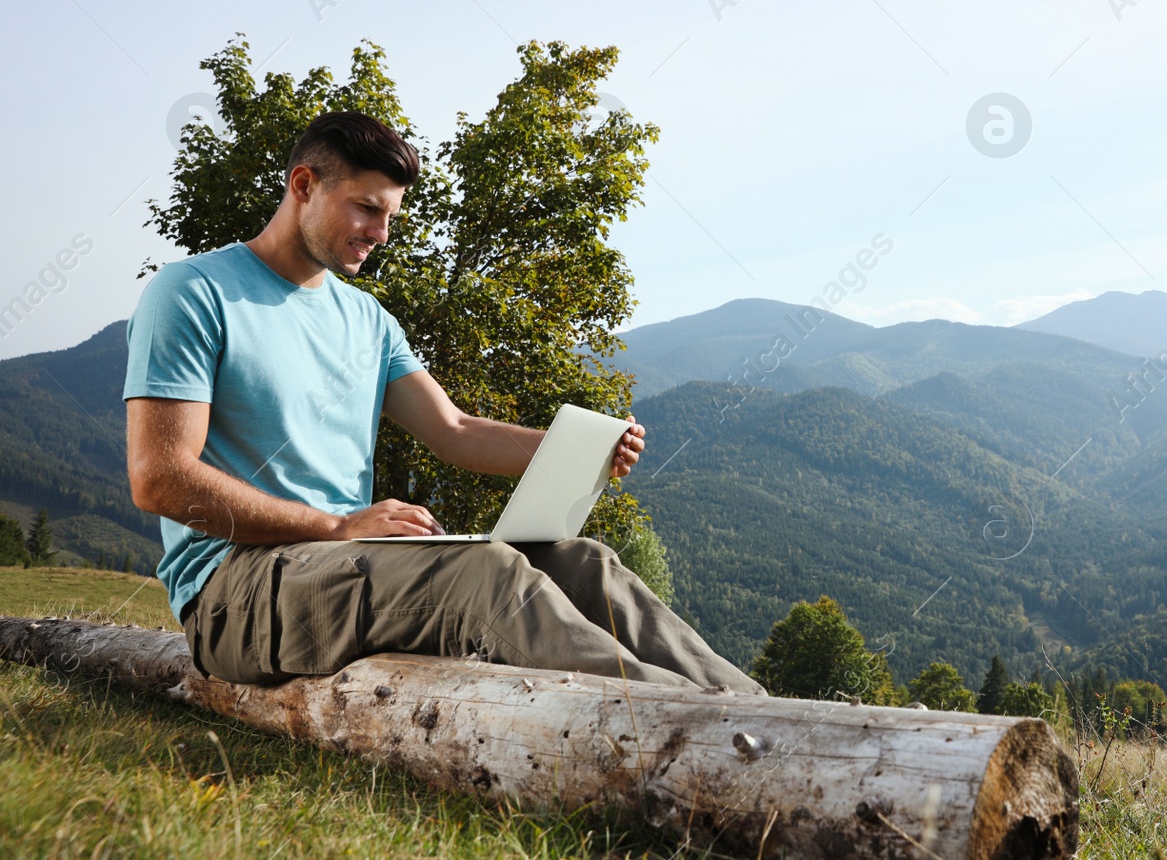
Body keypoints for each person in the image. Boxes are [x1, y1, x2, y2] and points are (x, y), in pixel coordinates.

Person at [123, 111, 762, 694]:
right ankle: (688, 728)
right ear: (304, 185)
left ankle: (761, 710)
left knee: (586, 563)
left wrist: (578, 449)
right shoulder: (192, 293)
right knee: (482, 574)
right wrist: (337, 526)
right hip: (238, 590)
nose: (379, 233)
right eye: (366, 209)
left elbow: (453, 428)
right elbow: (160, 478)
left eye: (390, 218)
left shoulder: (366, 319)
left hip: (349, 562)